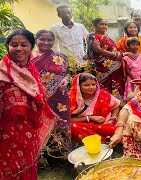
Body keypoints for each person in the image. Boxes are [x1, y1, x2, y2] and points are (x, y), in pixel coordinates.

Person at [0, 29, 56, 179]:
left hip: (30, 131)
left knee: (29, 166)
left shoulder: (31, 70)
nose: (19, 48)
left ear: (31, 47)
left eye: (24, 45)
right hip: (6, 134)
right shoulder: (1, 72)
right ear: (8, 47)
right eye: (14, 44)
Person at [30, 30, 71, 162]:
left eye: (49, 40)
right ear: (36, 40)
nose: (46, 42)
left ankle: (63, 153)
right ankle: (43, 157)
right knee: (40, 125)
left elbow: (67, 73)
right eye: (42, 39)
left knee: (62, 123)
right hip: (36, 99)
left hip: (60, 98)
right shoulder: (28, 57)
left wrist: (66, 79)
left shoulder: (61, 58)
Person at [69, 73, 120, 143]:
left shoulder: (103, 94)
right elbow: (69, 119)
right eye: (86, 85)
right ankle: (102, 142)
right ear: (78, 86)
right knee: (73, 126)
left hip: (105, 125)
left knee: (117, 129)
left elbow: (116, 106)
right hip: (86, 127)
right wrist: (90, 118)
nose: (91, 87)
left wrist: (112, 119)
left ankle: (110, 141)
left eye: (93, 84)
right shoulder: (72, 99)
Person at [87, 18, 125, 103]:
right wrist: (115, 55)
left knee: (116, 86)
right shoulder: (93, 36)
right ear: (94, 25)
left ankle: (117, 105)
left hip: (116, 68)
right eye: (101, 24)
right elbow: (98, 50)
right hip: (102, 69)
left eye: (105, 24)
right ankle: (105, 105)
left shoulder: (108, 37)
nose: (104, 26)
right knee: (105, 87)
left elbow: (115, 48)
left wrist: (119, 53)